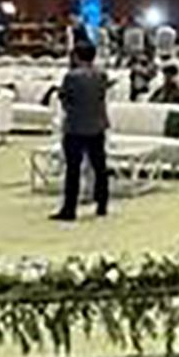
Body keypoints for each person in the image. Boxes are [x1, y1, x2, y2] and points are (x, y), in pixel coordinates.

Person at [52, 39, 111, 221]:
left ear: (76, 56)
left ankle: (69, 208)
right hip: (97, 125)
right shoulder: (101, 75)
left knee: (73, 170)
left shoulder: (71, 77)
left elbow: (64, 98)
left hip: (75, 127)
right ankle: (102, 204)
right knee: (99, 167)